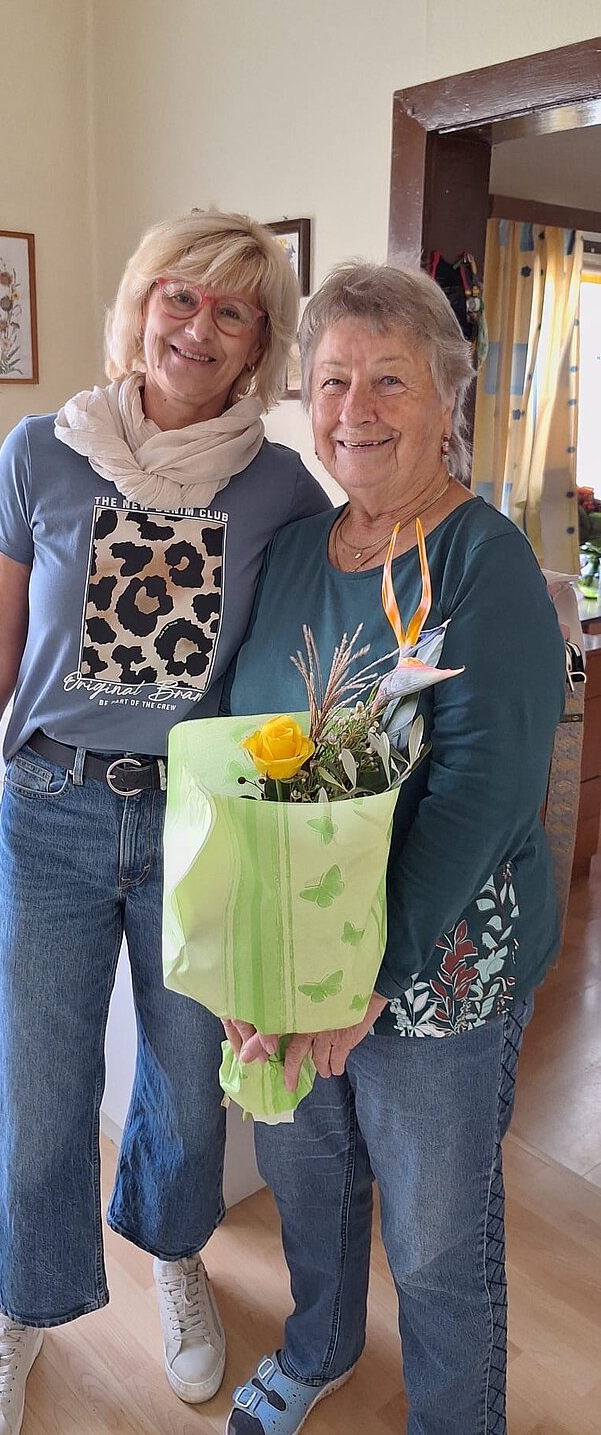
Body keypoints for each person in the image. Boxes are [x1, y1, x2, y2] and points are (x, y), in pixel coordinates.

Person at [0, 209, 329, 1435]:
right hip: (52, 813)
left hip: (198, 827)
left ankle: (175, 1254)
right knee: (38, 1094)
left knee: (189, 1089)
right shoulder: (42, 452)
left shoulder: (279, 489)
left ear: (258, 347)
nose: (200, 326)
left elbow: (295, 661)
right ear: (139, 306)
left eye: (233, 310)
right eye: (179, 297)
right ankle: (20, 1311)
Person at [223, 261, 567, 1435]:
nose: (353, 411)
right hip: (293, 953)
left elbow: (483, 794)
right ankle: (317, 1347)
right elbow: (244, 754)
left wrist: (368, 974)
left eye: (388, 380)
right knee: (308, 1185)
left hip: (433, 975)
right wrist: (245, 951)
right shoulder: (295, 551)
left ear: (445, 396)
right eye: (330, 381)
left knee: (432, 1238)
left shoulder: (483, 561)